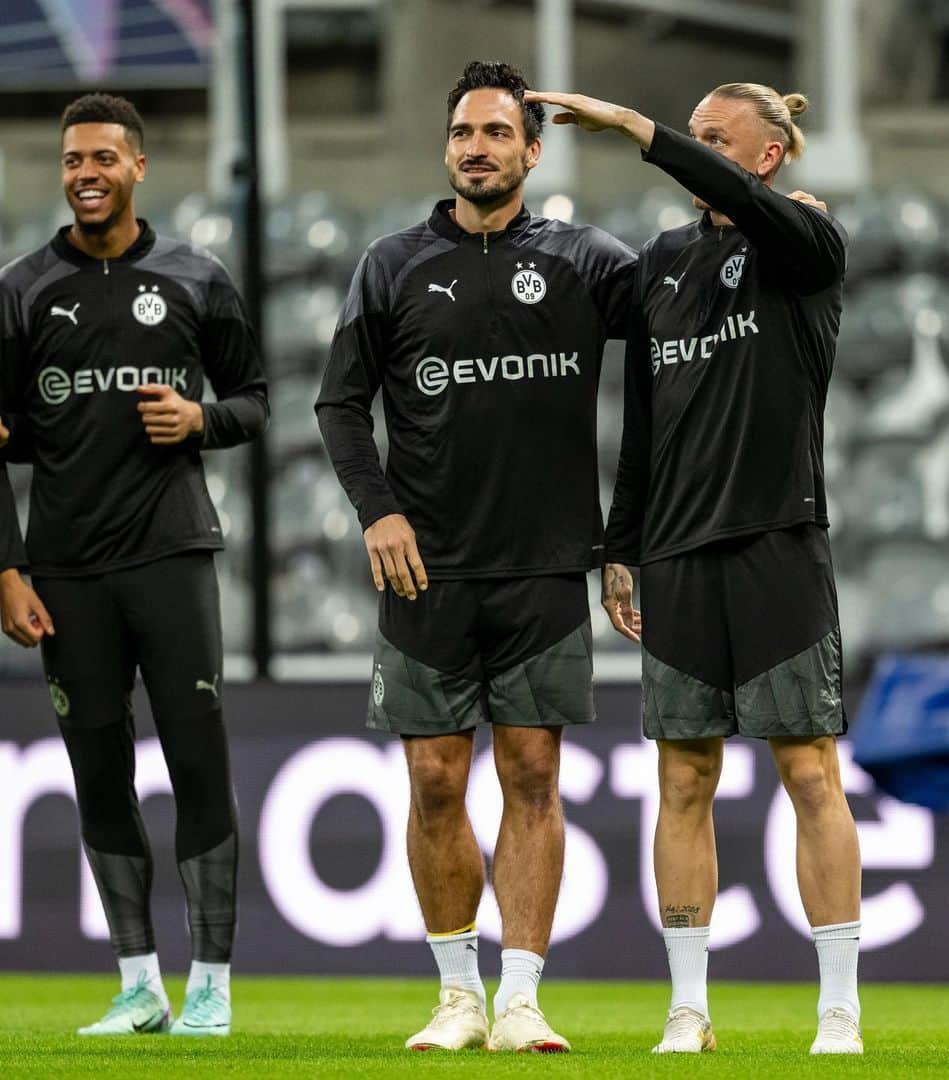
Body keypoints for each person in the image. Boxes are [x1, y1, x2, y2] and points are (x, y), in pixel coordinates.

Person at [524, 84, 863, 1055]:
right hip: (676, 552)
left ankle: (837, 1007)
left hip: (777, 541)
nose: (699, 152)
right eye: (692, 136)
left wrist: (639, 129)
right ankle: (688, 1008)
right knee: (683, 781)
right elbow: (644, 421)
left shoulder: (806, 244)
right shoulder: (664, 264)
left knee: (808, 771)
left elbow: (753, 207)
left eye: (719, 141)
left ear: (765, 157)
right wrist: (621, 544)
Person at [316, 61, 634, 1053]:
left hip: (542, 567)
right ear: (447, 147)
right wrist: (377, 512)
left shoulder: (585, 260)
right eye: (464, 133)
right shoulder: (391, 264)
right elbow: (337, 402)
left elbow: (691, 299)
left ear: (532, 151)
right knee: (435, 784)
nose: (478, 149)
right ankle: (456, 995)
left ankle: (522, 997)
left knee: (534, 775)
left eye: (498, 133)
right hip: (426, 572)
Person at [0, 93, 268, 1037]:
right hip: (66, 573)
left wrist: (201, 420)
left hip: (172, 554)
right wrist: (6, 570)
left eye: (104, 158)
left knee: (199, 761)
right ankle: (139, 982)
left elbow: (258, 399)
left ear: (138, 168)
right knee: (98, 774)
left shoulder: (194, 277)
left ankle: (213, 987)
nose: (85, 173)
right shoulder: (22, 287)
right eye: (74, 159)